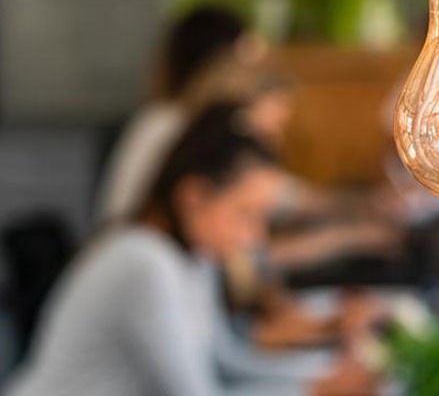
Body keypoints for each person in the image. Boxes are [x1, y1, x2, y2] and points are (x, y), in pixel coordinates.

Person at [9, 105, 378, 396]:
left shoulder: (193, 258)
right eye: (245, 214)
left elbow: (227, 362)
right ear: (194, 197)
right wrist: (316, 389)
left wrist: (319, 378)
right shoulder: (143, 262)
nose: (254, 236)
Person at [97, 5, 256, 221]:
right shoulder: (170, 124)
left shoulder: (168, 120)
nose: (251, 78)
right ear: (221, 66)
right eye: (245, 62)